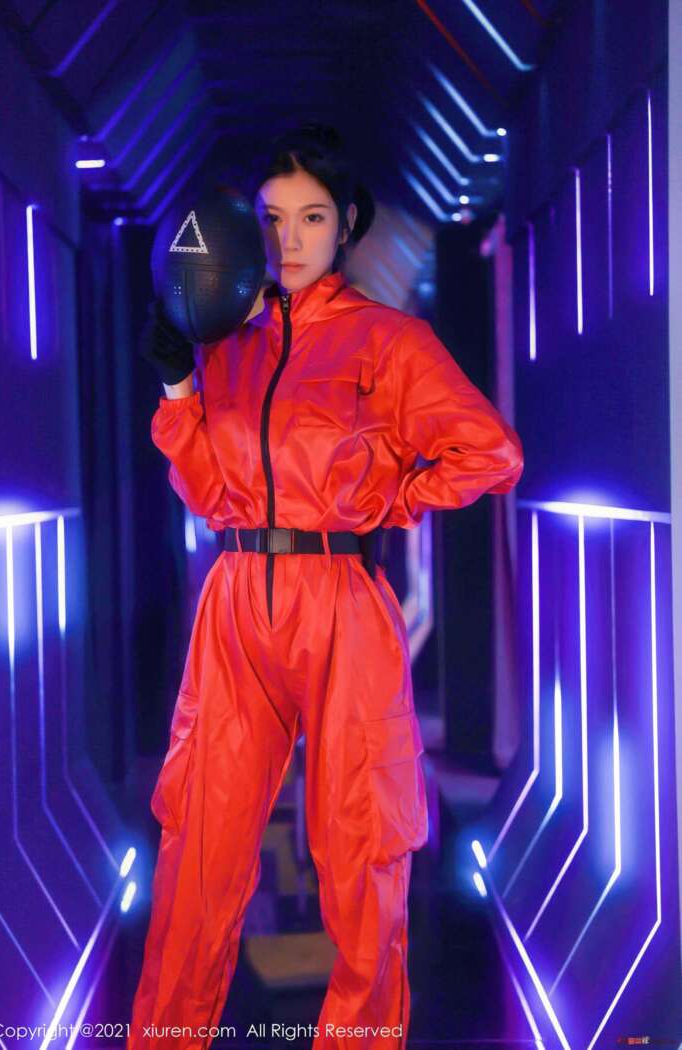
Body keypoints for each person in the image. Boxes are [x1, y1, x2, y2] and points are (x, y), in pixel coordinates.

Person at [128, 122, 524, 1050]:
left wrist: (392, 500)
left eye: (312, 217)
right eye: (272, 219)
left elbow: (491, 453)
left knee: (363, 856)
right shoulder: (227, 342)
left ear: (347, 223)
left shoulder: (388, 342)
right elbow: (207, 492)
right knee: (196, 853)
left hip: (342, 604)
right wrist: (179, 390)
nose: (291, 238)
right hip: (235, 604)